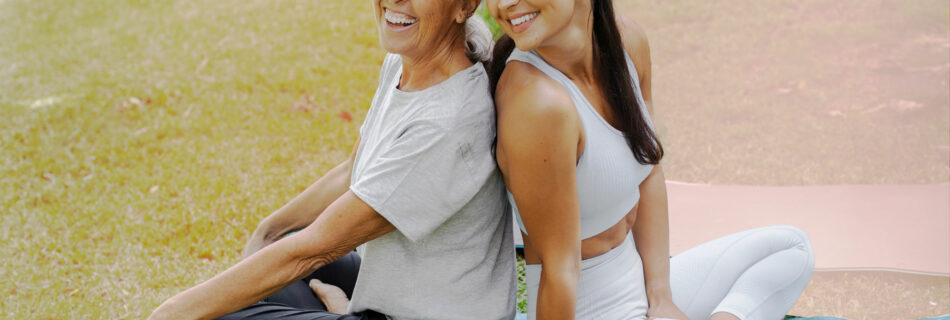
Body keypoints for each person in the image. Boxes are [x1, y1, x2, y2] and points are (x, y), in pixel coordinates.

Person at [148, 1, 516, 319]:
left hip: (426, 313)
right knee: (268, 261)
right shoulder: (406, 62)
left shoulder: (446, 123)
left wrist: (167, 314)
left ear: (464, 7)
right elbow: (352, 172)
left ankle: (341, 307)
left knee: (216, 312)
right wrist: (268, 232)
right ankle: (340, 305)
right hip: (398, 288)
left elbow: (316, 249)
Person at [485, 0, 815, 319]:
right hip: (587, 308)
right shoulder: (537, 103)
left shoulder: (626, 43)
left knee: (791, 249)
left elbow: (648, 169)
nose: (504, 4)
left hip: (640, 281)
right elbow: (560, 272)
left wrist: (661, 300)